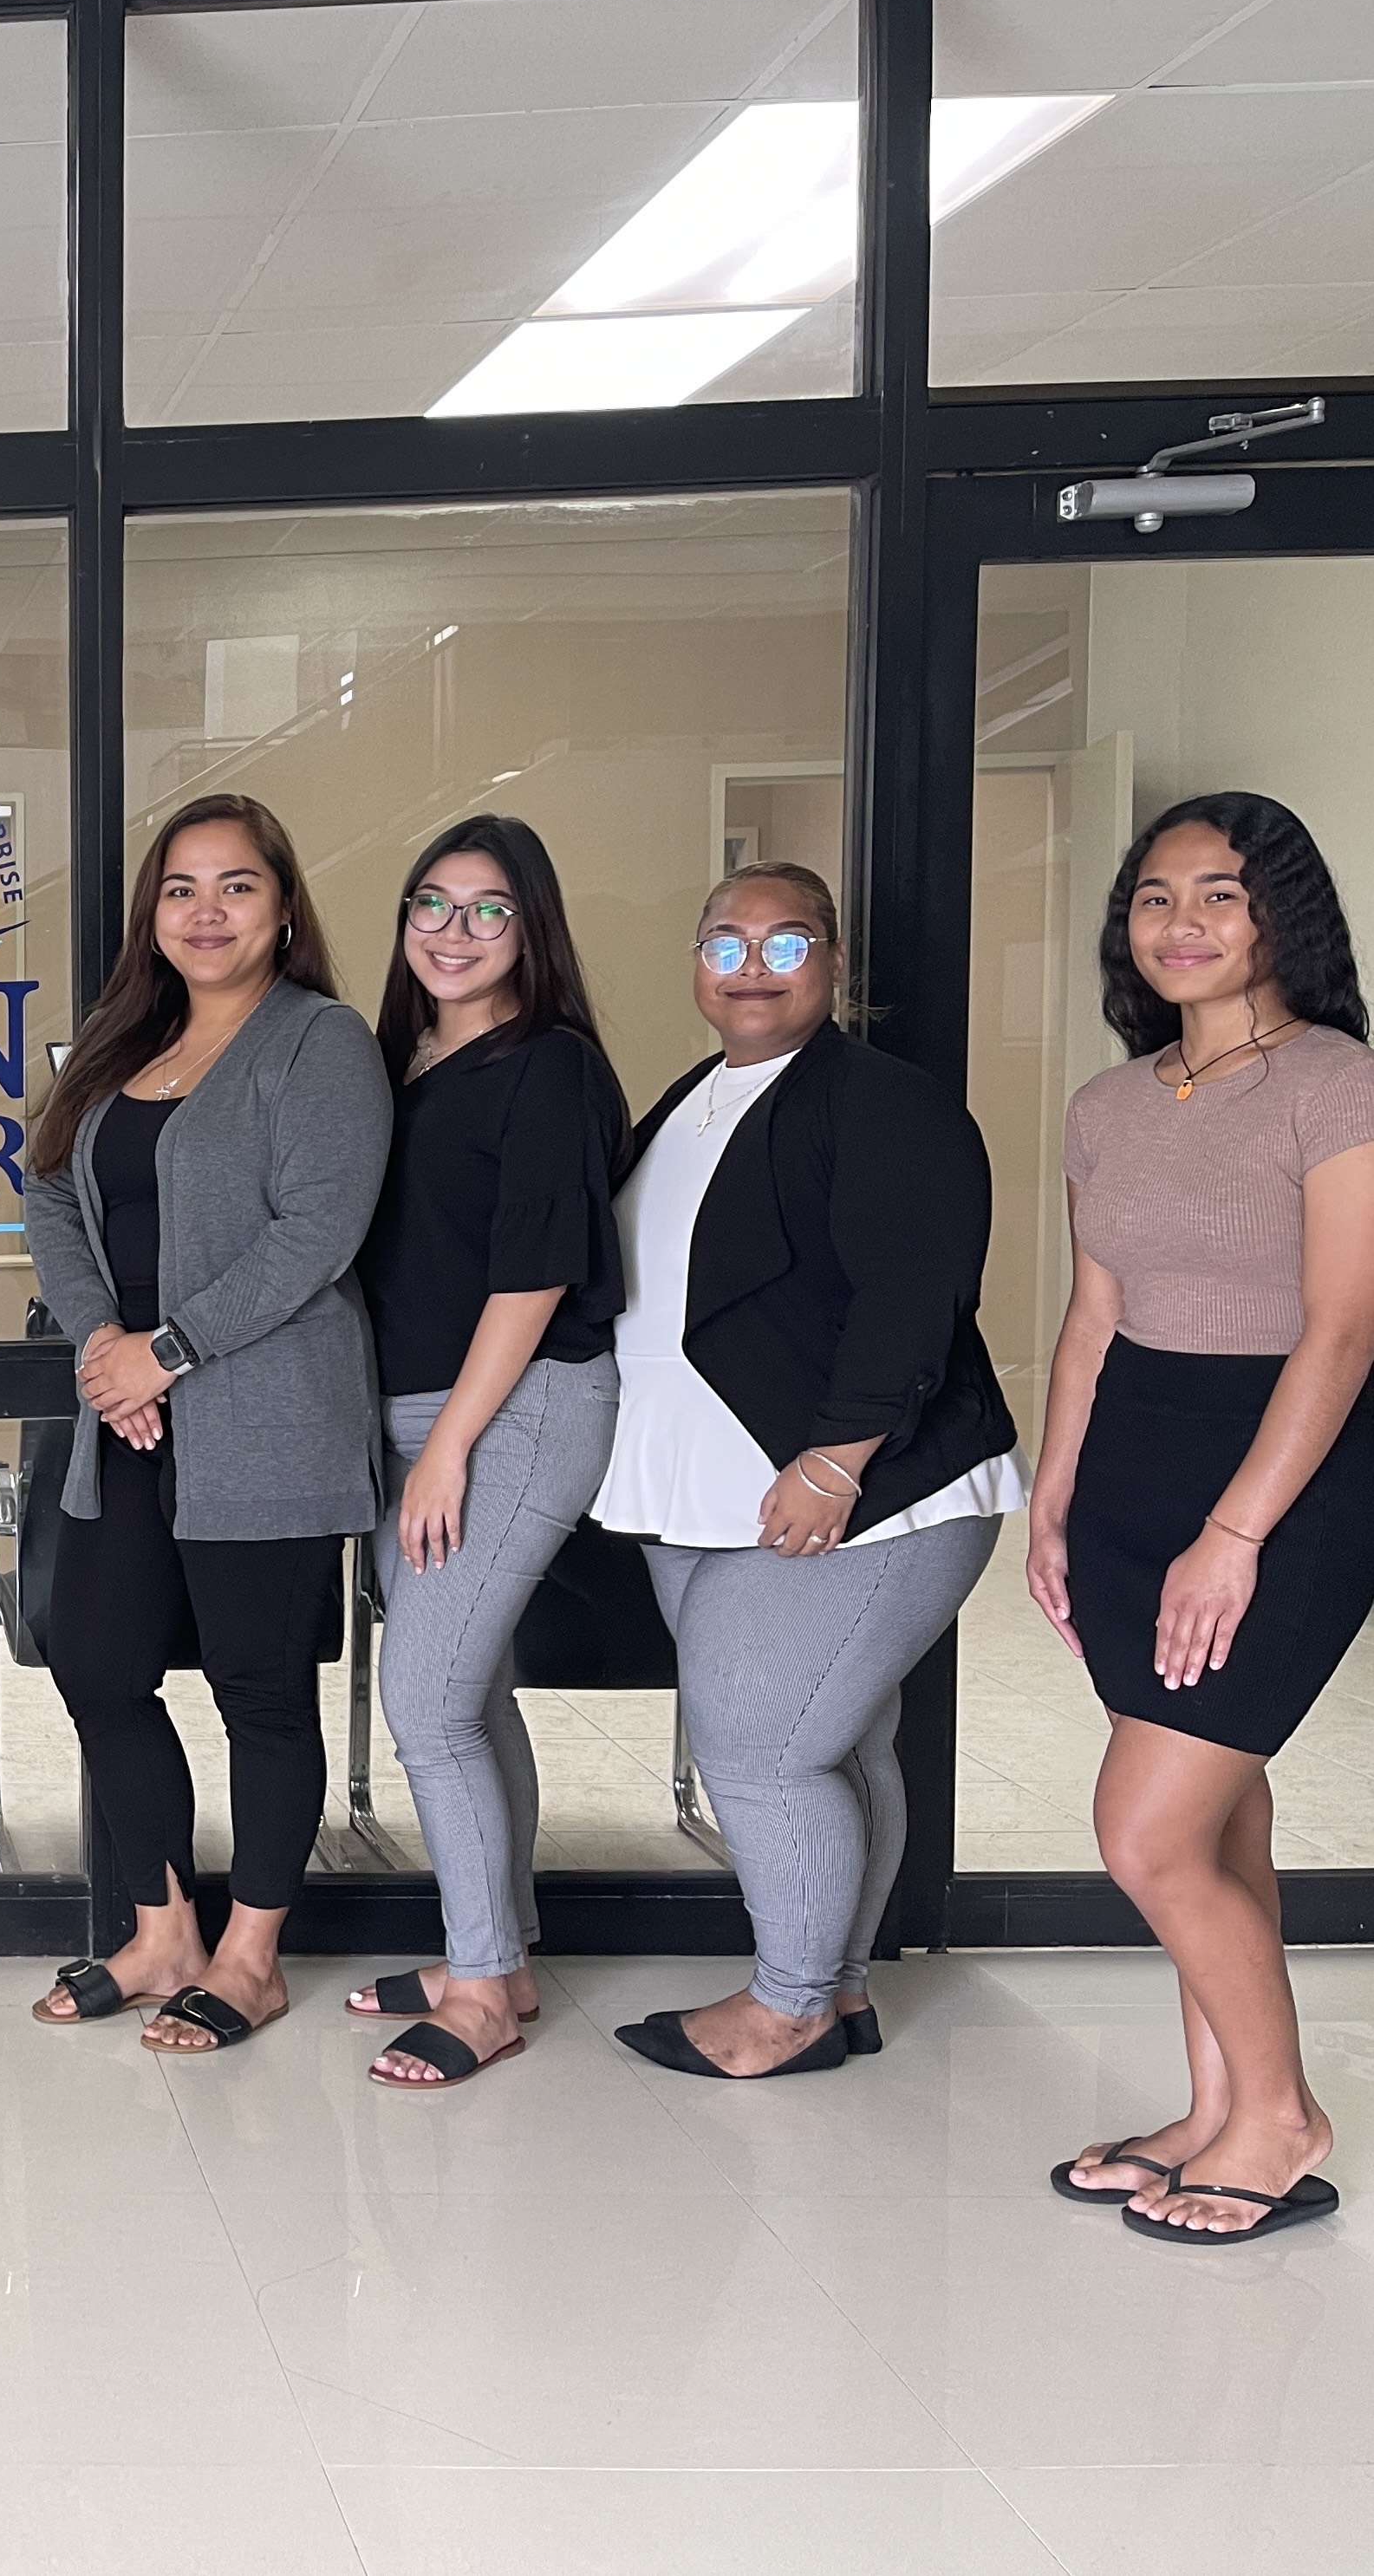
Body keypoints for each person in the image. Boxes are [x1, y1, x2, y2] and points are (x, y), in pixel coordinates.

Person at [591, 861, 1019, 2078]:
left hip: (862, 1492)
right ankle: (840, 1990)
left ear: (835, 966)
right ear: (696, 963)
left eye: (789, 943)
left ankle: (787, 2007)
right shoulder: (692, 1099)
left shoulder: (881, 1099)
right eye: (727, 941)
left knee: (762, 1752)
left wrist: (835, 1462)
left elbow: (914, 1290)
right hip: (704, 1494)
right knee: (836, 1747)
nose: (754, 966)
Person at [1033, 795, 1374, 2241]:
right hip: (1130, 1472)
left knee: (1146, 1833)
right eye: (1155, 897)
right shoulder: (1109, 1104)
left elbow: (1348, 1326)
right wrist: (1051, 1504)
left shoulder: (1335, 1082)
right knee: (1220, 1815)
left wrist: (1233, 1533)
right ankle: (1213, 2108)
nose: (1182, 924)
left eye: (1220, 896)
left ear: (1281, 914)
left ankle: (1280, 2117)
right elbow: (1093, 1317)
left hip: (1285, 1478)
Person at [20, 794, 390, 2056]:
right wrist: (104, 1354)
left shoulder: (321, 1044)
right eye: (182, 888)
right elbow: (55, 1205)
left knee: (261, 1692)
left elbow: (317, 1234)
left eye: (238, 886)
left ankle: (250, 1958)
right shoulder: (119, 1047)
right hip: (126, 1421)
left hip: (266, 1417)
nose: (207, 911)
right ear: (152, 915)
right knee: (97, 1665)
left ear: (284, 908)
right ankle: (164, 1929)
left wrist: (164, 1352)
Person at [345, 817, 627, 2088]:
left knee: (426, 1698)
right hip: (423, 1418)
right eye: (432, 905)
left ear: (534, 929)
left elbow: (533, 1273)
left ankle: (481, 1995)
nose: (453, 933)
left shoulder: (548, 1066)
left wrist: (450, 1445)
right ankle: (496, 1955)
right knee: (469, 1692)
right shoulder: (401, 1065)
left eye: (488, 910)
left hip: (515, 1409)